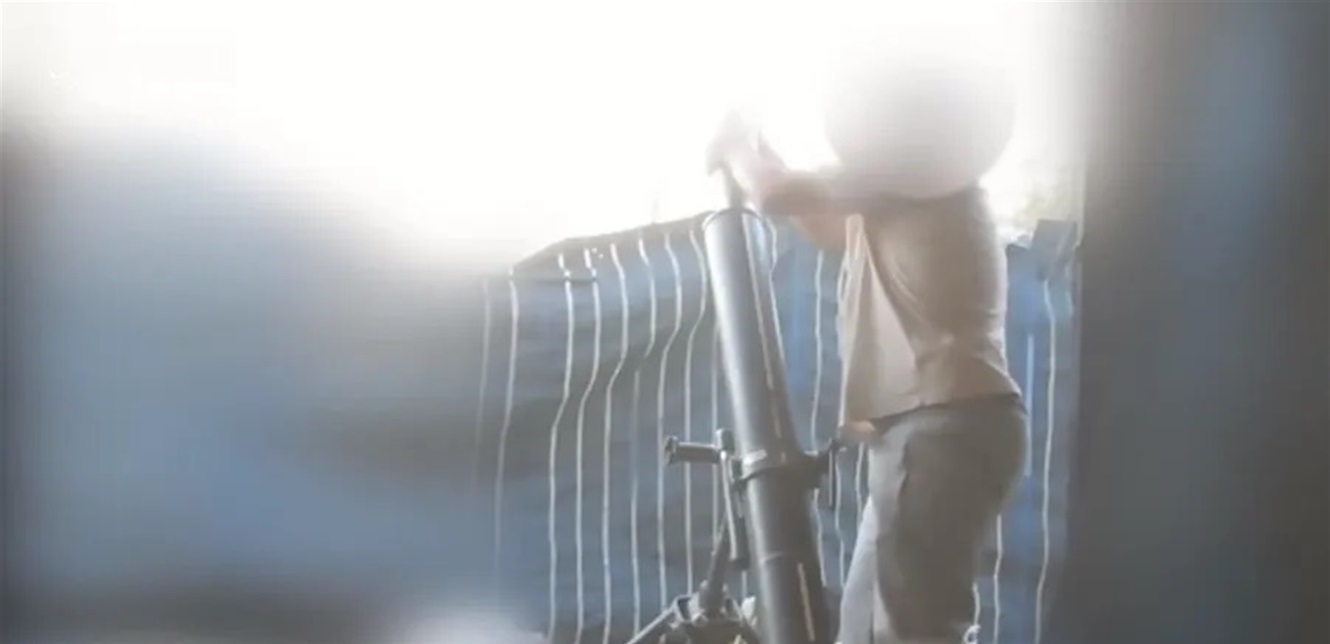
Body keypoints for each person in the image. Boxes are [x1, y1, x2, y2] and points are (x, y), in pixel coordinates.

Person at [706, 44, 1028, 644]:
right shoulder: (917, 194)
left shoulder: (909, 175)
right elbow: (814, 218)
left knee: (912, 631)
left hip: (936, 424)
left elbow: (774, 196)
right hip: (941, 427)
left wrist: (736, 149)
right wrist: (757, 148)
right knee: (868, 628)